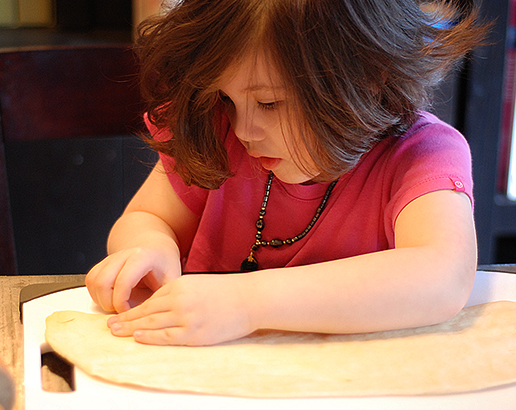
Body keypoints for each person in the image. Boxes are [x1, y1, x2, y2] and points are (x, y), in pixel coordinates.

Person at [85, 0, 487, 346]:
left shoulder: (420, 154)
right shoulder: (216, 128)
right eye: (227, 97)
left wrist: (246, 302)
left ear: (366, 79)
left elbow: (442, 275)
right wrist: (147, 249)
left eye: (270, 103)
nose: (244, 130)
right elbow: (148, 217)